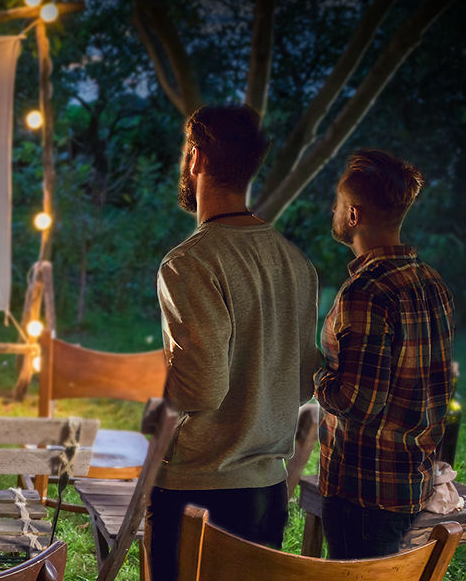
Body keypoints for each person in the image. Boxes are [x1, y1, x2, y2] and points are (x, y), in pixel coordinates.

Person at [148, 104, 321, 581]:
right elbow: (305, 381)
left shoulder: (189, 263)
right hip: (267, 492)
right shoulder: (296, 262)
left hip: (198, 494)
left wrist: (157, 395)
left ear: (197, 158)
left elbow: (202, 390)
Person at [316, 149, 455, 559]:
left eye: (338, 204)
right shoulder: (432, 282)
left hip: (363, 490)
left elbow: (357, 402)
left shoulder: (366, 292)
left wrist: (316, 375)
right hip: (410, 481)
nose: (333, 210)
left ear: (353, 215)